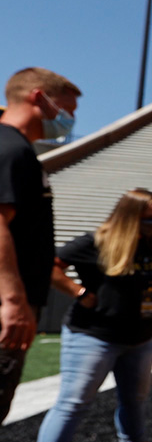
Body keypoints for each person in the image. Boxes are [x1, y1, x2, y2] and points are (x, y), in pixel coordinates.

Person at [25, 189, 152, 442]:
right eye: (148, 217)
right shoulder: (94, 242)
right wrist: (79, 292)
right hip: (93, 335)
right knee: (74, 401)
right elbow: (50, 266)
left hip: (140, 338)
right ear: (129, 214)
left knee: (135, 398)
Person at [0, 68, 81, 422]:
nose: (69, 120)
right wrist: (13, 301)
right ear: (38, 98)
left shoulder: (18, 149)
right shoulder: (11, 148)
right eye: (66, 109)